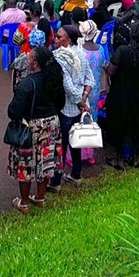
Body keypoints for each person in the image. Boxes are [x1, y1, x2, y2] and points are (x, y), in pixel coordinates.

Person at [6, 44, 64, 213]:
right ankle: (40, 198)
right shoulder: (55, 78)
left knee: (26, 164)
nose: (27, 59)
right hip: (52, 124)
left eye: (30, 57)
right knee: (45, 162)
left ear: (35, 64)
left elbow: (13, 111)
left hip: (31, 127)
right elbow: (61, 102)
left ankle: (23, 202)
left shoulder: (26, 84)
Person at [103, 21, 139, 170]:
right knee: (137, 123)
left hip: (121, 92)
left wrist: (106, 66)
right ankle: (135, 158)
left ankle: (119, 159)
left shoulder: (122, 51)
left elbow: (111, 71)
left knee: (119, 123)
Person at [49, 25, 93, 189]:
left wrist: (80, 101)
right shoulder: (81, 52)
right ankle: (76, 174)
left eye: (59, 37)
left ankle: (56, 181)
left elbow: (67, 84)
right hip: (79, 106)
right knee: (76, 142)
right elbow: (89, 78)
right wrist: (84, 99)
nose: (56, 39)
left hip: (67, 106)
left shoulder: (60, 57)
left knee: (61, 145)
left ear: (68, 40)